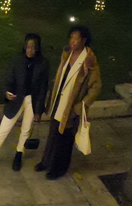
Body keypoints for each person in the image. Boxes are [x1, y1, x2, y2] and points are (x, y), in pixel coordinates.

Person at [0, 34, 49, 173]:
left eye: (33, 47)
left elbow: (43, 88)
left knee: (26, 129)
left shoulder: (43, 63)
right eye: (28, 47)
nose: (30, 50)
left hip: (32, 100)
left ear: (37, 48)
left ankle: (19, 154)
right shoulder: (18, 60)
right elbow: (9, 79)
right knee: (3, 129)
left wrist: (39, 110)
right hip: (16, 98)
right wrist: (7, 92)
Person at [36, 25, 101, 180]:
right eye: (71, 37)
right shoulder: (67, 54)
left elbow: (96, 86)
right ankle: (46, 161)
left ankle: (59, 168)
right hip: (59, 101)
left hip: (72, 106)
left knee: (65, 139)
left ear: (84, 40)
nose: (72, 41)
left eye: (76, 38)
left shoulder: (89, 60)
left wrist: (81, 106)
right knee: (53, 133)